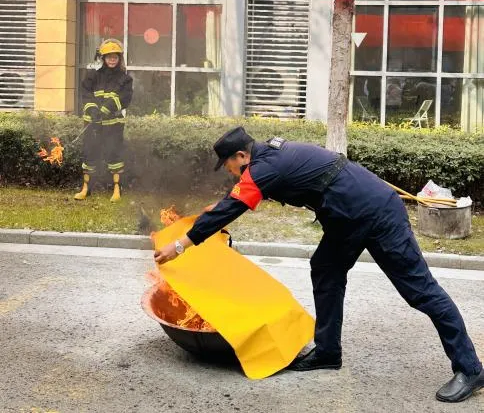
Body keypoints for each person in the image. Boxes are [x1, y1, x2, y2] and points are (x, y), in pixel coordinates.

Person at [154, 126, 484, 403]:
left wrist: (180, 245)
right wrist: (213, 211)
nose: (229, 171)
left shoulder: (264, 168)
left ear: (241, 156)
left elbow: (233, 206)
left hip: (377, 214)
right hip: (347, 217)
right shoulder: (270, 155)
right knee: (325, 269)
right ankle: (327, 352)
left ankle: (470, 370)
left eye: (227, 165)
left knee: (420, 291)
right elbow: (236, 198)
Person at [74, 38, 133, 203]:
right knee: (89, 154)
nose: (112, 59)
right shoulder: (93, 76)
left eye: (115, 57)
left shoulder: (125, 79)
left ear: (119, 58)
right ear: (103, 58)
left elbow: (125, 98)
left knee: (114, 154)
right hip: (92, 124)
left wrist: (106, 109)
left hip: (113, 125)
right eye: (109, 57)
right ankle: (86, 188)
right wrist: (92, 110)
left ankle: (117, 189)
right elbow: (86, 94)